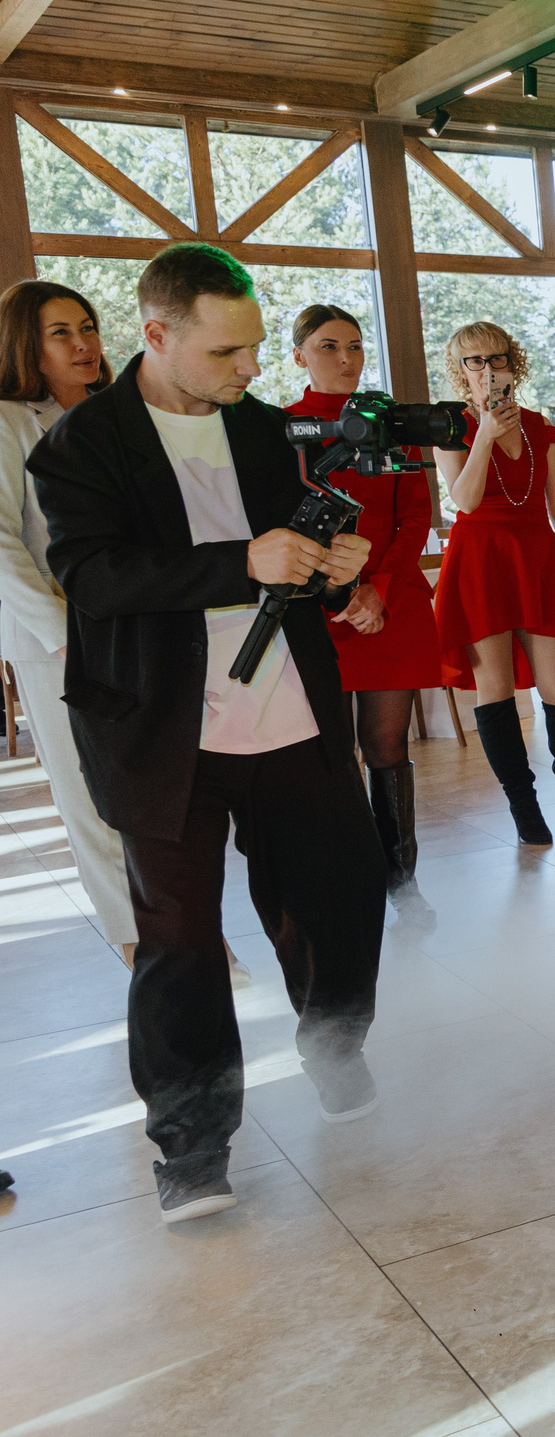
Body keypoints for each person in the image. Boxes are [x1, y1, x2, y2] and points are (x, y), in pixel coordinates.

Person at [28, 243, 387, 1224]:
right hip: (161, 733)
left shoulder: (266, 432)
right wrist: (243, 561)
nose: (250, 368)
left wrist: (337, 572)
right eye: (228, 351)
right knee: (180, 943)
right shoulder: (81, 446)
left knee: (339, 901)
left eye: (254, 347)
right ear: (157, 334)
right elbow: (95, 577)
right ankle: (191, 1147)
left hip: (293, 719)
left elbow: (297, 556)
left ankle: (334, 1043)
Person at [284, 304, 443, 899]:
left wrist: (379, 587)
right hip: (312, 605)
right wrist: (341, 591)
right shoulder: (281, 428)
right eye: (328, 346)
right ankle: (349, 877)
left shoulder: (392, 422)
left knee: (386, 745)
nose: (346, 358)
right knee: (329, 751)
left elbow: (416, 516)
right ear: (299, 355)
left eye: (354, 346)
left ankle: (402, 881)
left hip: (390, 603)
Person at [0, 280, 136, 965]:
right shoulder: (8, 422)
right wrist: (61, 634)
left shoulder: (120, 416)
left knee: (156, 790)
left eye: (87, 326)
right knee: (88, 793)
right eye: (61, 332)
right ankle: (137, 940)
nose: (84, 343)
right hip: (55, 638)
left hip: (138, 628)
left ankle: (183, 928)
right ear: (25, 344)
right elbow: (1, 545)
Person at [430, 321, 555, 847]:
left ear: (513, 363)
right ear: (460, 371)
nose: (487, 370)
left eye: (496, 358)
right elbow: (463, 500)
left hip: (536, 560)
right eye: (474, 361)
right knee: (496, 691)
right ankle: (522, 804)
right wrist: (484, 433)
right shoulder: (449, 427)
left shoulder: (538, 425)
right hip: (479, 563)